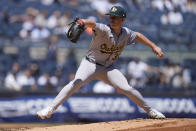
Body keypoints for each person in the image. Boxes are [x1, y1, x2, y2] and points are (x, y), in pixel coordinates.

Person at [37, 6, 165, 119]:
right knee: (76, 83)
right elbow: (93, 24)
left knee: (127, 89)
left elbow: (137, 35)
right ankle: (50, 109)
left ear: (122, 20)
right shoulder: (104, 29)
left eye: (115, 17)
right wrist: (83, 22)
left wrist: (154, 46)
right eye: (111, 17)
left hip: (108, 68)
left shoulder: (125, 33)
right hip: (90, 64)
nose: (112, 19)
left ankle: (150, 111)